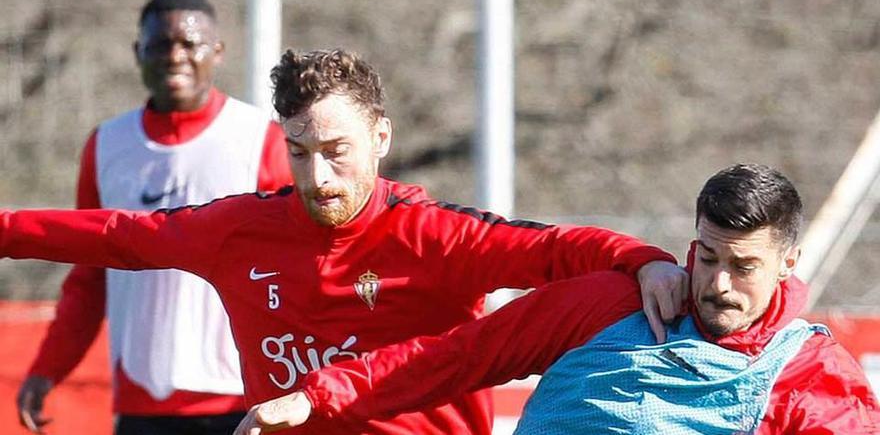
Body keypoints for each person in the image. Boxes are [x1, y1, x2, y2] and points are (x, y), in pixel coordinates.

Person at [0, 48, 686, 435]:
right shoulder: (239, 230)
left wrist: (646, 258)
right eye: (299, 152)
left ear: (380, 139)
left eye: (337, 151)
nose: (317, 175)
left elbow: (559, 249)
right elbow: (121, 234)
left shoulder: (436, 235)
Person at [238, 164, 880, 435]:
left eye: (744, 267)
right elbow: (458, 356)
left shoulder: (812, 380)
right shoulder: (612, 304)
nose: (716, 284)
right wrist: (317, 395)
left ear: (788, 263)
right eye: (707, 257)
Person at [15, 0, 293, 435]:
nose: (175, 56)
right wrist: (49, 368)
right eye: (160, 44)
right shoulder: (106, 144)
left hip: (241, 399)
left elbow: (292, 273)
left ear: (217, 51)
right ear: (137, 51)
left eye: (190, 44)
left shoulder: (262, 138)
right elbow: (89, 277)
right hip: (141, 399)